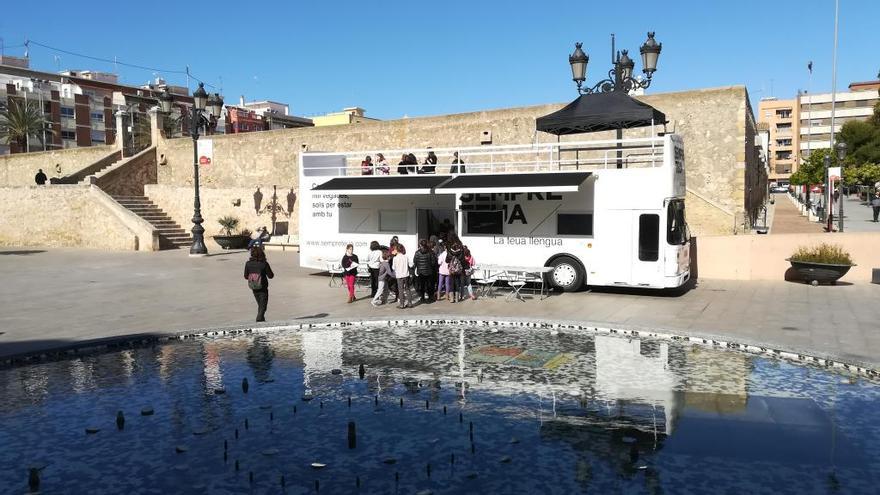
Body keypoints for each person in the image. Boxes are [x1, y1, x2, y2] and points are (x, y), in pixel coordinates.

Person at [243, 246, 274, 322]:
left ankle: (262, 320)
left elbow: (246, 276)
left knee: (261, 306)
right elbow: (271, 276)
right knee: (263, 307)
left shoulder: (248, 264)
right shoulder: (264, 264)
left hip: (254, 287)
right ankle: (259, 320)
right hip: (263, 287)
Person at [392, 243, 412, 308]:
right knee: (408, 289)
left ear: (397, 250)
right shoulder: (406, 257)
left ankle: (402, 304)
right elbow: (411, 265)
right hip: (406, 275)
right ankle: (410, 303)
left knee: (400, 290)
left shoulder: (395, 258)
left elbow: (393, 268)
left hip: (399, 275)